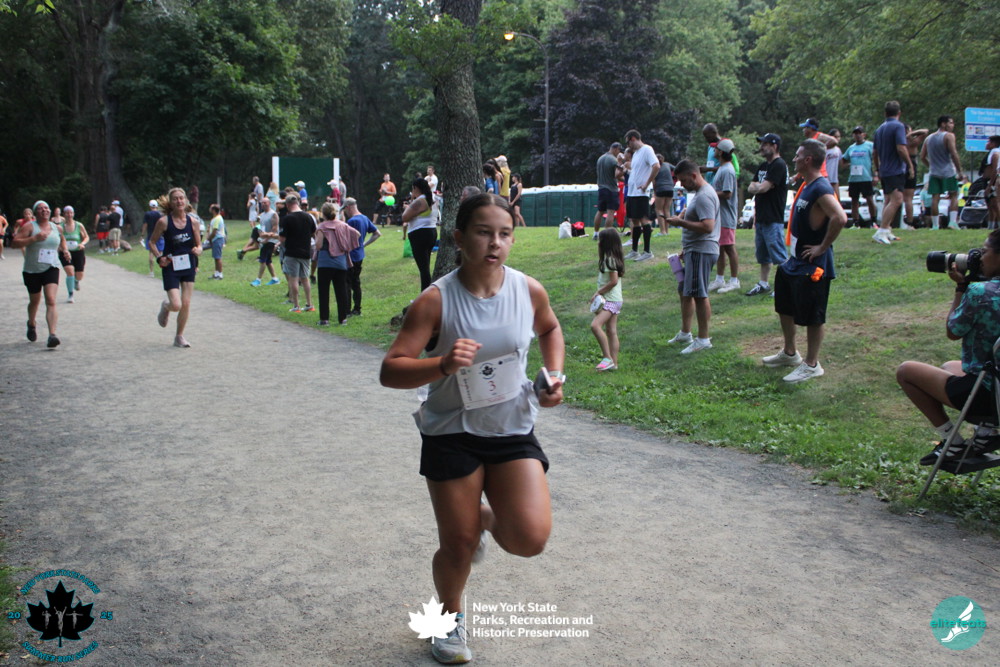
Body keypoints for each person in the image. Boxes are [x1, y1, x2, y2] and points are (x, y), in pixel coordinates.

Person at [379, 193, 565, 665]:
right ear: (459, 238)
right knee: (457, 544)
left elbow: (550, 329)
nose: (495, 243)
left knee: (529, 539)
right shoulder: (436, 300)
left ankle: (483, 516)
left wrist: (553, 375)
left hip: (511, 428)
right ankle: (448, 620)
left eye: (504, 234)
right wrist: (441, 364)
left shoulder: (528, 290)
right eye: (483, 232)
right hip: (452, 432)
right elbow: (391, 370)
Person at [897, 230, 1000, 464]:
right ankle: (986, 434)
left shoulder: (981, 293)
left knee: (906, 371)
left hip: (988, 396)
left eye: (985, 252)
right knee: (950, 366)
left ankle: (952, 442)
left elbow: (953, 331)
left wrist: (961, 287)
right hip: (996, 385)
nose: (980, 257)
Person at [763, 139, 847, 383]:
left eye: (798, 155)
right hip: (795, 260)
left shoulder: (820, 187)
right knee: (784, 306)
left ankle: (811, 364)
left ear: (808, 159)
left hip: (814, 264)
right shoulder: (807, 184)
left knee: (813, 315)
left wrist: (822, 247)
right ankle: (790, 353)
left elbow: (840, 218)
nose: (794, 159)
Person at [665, 160, 720, 354]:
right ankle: (685, 333)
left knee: (699, 294)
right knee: (685, 291)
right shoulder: (699, 193)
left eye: (683, 180)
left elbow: (708, 226)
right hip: (693, 250)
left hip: (701, 251)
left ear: (694, 176)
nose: (681, 185)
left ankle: (703, 339)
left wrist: (680, 223)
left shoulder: (704, 196)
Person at [11, 200, 70, 347]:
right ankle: (31, 323)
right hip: (32, 270)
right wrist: (34, 239)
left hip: (52, 266)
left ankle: (52, 335)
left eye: (46, 208)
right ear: (35, 212)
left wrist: (65, 250)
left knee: (51, 299)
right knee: (35, 301)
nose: (44, 210)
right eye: (41, 208)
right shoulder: (29, 227)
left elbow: (62, 240)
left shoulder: (57, 228)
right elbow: (14, 243)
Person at [148, 188, 202, 348]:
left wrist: (198, 250)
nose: (179, 201)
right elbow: (151, 242)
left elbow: (199, 244)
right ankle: (166, 306)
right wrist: (159, 258)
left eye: (181, 198)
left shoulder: (193, 222)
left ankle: (179, 336)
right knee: (176, 304)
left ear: (186, 200)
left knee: (186, 303)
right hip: (171, 266)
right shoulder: (164, 222)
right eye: (175, 199)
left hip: (188, 265)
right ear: (171, 203)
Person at [746, 132, 789, 296]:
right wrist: (759, 187)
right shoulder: (763, 166)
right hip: (761, 217)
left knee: (779, 255)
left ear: (774, 146)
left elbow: (763, 188)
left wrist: (759, 187)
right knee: (763, 255)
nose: (761, 147)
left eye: (765, 144)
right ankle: (763, 284)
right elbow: (751, 187)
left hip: (773, 217)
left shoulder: (779, 165)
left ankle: (785, 286)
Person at [872, 100, 914, 244]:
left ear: (885, 113)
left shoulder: (879, 129)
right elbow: (901, 148)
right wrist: (910, 165)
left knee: (888, 200)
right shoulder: (898, 126)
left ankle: (887, 229)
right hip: (895, 169)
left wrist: (877, 168)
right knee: (897, 199)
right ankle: (882, 230)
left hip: (884, 169)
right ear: (899, 113)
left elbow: (875, 152)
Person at [314, 202, 360, 326]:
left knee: (324, 291)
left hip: (325, 263)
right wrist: (346, 245)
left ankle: (324, 319)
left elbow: (318, 245)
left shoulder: (322, 226)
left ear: (323, 214)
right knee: (341, 290)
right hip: (340, 262)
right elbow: (357, 234)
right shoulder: (343, 225)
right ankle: (343, 318)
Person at [921, 115, 965, 230]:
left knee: (935, 198)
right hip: (948, 171)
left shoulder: (929, 138)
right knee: (954, 195)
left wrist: (931, 166)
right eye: (950, 123)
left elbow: (922, 156)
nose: (952, 125)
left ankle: (935, 225)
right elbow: (954, 154)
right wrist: (960, 171)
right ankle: (952, 223)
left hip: (934, 172)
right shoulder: (949, 136)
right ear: (943, 124)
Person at [709, 140, 741, 294]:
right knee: (720, 248)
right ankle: (719, 279)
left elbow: (727, 193)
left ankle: (734, 281)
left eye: (716, 149)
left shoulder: (728, 170)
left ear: (721, 152)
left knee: (729, 247)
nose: (714, 151)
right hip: (719, 216)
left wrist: (709, 194)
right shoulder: (722, 168)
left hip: (726, 216)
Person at [591, 227, 624, 371]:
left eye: (600, 240)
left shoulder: (610, 260)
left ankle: (607, 358)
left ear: (606, 243)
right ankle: (614, 364)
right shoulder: (611, 259)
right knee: (611, 331)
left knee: (595, 326)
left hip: (610, 300)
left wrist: (598, 292)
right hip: (615, 300)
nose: (598, 243)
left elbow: (613, 281)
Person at [624, 129, 659, 261]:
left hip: (641, 193)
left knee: (644, 219)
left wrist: (646, 184)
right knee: (634, 220)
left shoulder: (647, 150)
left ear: (633, 139)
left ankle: (647, 251)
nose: (628, 146)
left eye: (628, 143)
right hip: (632, 192)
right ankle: (634, 250)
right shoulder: (636, 153)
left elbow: (656, 166)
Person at [343, 197, 380, 317]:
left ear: (348, 207)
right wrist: (363, 244)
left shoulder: (352, 221)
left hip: (350, 256)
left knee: (347, 283)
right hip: (359, 255)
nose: (345, 212)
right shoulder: (364, 218)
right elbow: (377, 234)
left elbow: (345, 240)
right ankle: (357, 309)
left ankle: (347, 310)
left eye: (345, 210)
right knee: (356, 282)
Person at [279, 193, 316, 313]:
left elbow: (282, 239)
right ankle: (309, 304)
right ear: (298, 203)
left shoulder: (287, 219)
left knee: (293, 279)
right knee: (305, 278)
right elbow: (313, 234)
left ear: (288, 205)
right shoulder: (308, 217)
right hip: (306, 251)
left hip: (291, 252)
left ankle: (296, 306)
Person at [402, 178, 437, 292]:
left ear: (415, 188)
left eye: (412, 189)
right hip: (431, 232)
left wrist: (409, 205)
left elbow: (405, 217)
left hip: (419, 234)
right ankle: (427, 293)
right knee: (425, 266)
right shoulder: (432, 198)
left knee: (423, 269)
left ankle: (425, 295)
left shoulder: (420, 201)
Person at [842, 126, 879, 228]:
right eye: (855, 133)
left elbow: (876, 159)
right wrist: (849, 165)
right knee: (854, 201)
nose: (857, 135)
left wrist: (876, 174)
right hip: (854, 179)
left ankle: (873, 221)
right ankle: (855, 223)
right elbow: (843, 161)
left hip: (866, 178)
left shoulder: (870, 145)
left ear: (864, 135)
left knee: (869, 199)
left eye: (859, 133)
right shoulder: (851, 148)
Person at [58, 206, 88, 302]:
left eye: (71, 213)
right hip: (65, 252)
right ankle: (70, 295)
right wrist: (59, 247)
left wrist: (82, 244)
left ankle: (76, 281)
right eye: (67, 213)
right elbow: (56, 239)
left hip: (78, 252)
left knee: (79, 274)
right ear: (64, 214)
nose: (69, 215)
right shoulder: (60, 227)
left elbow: (86, 237)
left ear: (73, 214)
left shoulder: (79, 225)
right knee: (70, 272)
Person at [593, 142, 622, 238]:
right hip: (611, 189)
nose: (619, 153)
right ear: (616, 149)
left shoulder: (600, 158)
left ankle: (596, 233)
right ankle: (606, 235)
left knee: (600, 211)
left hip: (601, 188)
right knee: (610, 212)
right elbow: (617, 175)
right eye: (619, 150)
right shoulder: (614, 160)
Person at [250, 198, 281, 287]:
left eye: (265, 202)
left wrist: (266, 240)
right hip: (264, 240)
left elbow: (274, 229)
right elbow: (261, 227)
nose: (263, 204)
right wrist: (260, 236)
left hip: (271, 240)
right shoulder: (262, 215)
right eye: (262, 203)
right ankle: (275, 279)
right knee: (268, 261)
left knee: (262, 259)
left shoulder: (273, 214)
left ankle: (258, 280)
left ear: (269, 203)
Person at [653, 153, 675, 237]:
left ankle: (662, 231)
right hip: (670, 188)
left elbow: (654, 181)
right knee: (667, 209)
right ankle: (667, 230)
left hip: (660, 188)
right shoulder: (667, 165)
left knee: (659, 209)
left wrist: (655, 191)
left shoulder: (655, 167)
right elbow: (676, 169)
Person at [206, 204, 226, 279]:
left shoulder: (217, 219)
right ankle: (216, 273)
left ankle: (220, 274)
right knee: (215, 257)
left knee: (218, 257)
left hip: (218, 239)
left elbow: (214, 231)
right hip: (215, 239)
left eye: (211, 208)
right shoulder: (215, 218)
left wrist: (209, 238)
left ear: (214, 210)